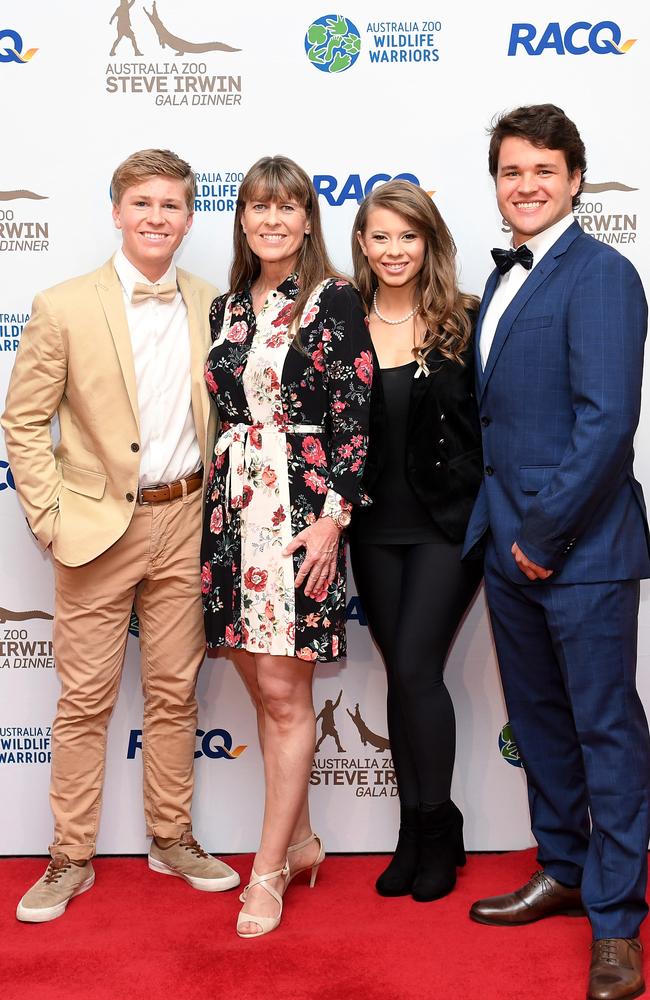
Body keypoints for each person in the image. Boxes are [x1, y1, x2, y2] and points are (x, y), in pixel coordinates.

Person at [2, 149, 239, 924]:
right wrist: (49, 515)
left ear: (189, 217)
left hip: (187, 520)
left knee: (175, 693)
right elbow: (22, 419)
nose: (156, 217)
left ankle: (171, 838)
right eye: (142, 202)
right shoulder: (64, 304)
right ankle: (70, 855)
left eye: (171, 204)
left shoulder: (214, 303)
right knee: (85, 700)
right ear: (116, 211)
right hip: (97, 528)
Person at [463, 105, 650, 1000]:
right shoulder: (500, 280)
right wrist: (508, 540)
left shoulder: (603, 275)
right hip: (509, 548)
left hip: (582, 551)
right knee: (539, 727)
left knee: (606, 731)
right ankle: (564, 869)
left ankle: (617, 922)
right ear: (495, 182)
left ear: (576, 178)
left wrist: (542, 537)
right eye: (511, 171)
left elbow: (608, 425)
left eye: (544, 169)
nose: (526, 185)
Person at [201, 155, 373, 937]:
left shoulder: (334, 299)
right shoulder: (228, 307)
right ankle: (302, 841)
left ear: (309, 218)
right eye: (257, 207)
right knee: (255, 676)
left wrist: (334, 518)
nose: (272, 220)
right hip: (233, 512)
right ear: (242, 219)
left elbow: (354, 414)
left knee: (284, 690)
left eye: (287, 207)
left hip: (300, 512)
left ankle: (266, 870)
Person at [349, 180, 483, 902]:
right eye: (382, 237)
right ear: (363, 246)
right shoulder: (343, 325)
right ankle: (415, 827)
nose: (395, 250)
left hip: (447, 528)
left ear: (428, 242)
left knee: (419, 669)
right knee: (402, 675)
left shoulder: (465, 321)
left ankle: (435, 828)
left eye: (409, 236)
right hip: (371, 529)